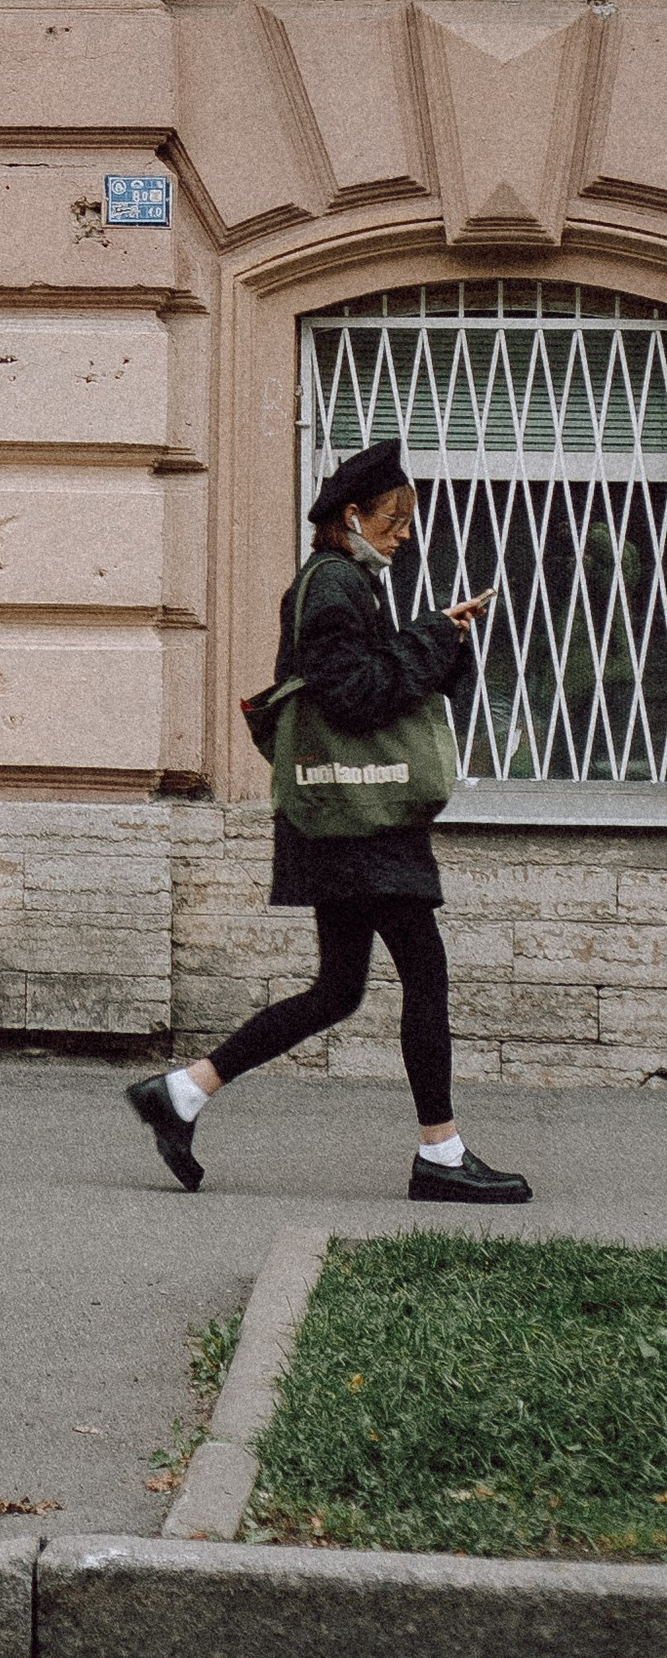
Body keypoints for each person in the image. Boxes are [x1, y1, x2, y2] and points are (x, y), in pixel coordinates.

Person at [126, 434, 530, 1204]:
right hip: (360, 818)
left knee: (339, 989)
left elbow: (360, 679)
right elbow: (354, 695)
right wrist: (433, 638)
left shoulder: (342, 581)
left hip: (344, 820)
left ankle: (180, 1094)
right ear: (353, 514)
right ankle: (440, 1155)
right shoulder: (334, 582)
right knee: (424, 973)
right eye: (393, 519)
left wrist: (435, 633)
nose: (405, 533)